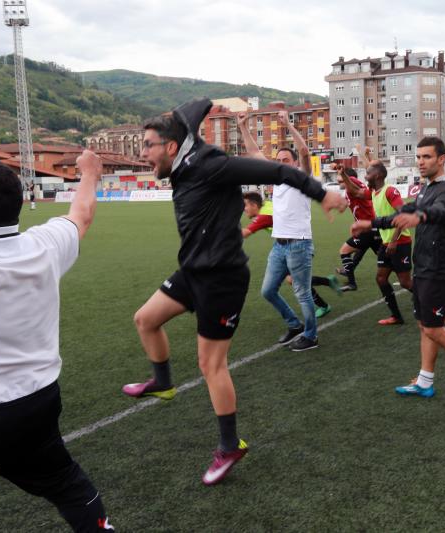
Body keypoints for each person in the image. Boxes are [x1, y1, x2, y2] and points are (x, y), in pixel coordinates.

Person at [121, 99, 345, 486]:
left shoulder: (213, 165)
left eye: (148, 146)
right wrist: (209, 104)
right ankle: (163, 382)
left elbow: (278, 169)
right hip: (193, 270)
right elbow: (189, 111)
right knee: (145, 319)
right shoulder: (181, 157)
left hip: (222, 278)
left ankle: (230, 445)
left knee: (211, 365)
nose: (143, 154)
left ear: (171, 147)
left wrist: (321, 192)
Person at [0, 155, 113, 531]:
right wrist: (90, 172)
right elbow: (83, 213)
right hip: (35, 405)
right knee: (69, 487)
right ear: (23, 204)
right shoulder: (44, 245)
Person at [352, 137, 445, 404]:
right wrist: (370, 223)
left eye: (426, 157)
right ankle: (425, 381)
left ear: (441, 159)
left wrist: (420, 216)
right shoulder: (424, 189)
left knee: (435, 329)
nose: (421, 162)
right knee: (424, 326)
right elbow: (403, 214)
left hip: (440, 269)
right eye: (418, 157)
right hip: (423, 266)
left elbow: (442, 210)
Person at [241, 190, 340, 318]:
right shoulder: (268, 206)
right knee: (293, 280)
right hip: (291, 243)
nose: (244, 209)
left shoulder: (264, 216)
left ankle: (323, 306)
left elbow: (245, 233)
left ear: (254, 205)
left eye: (245, 205)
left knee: (296, 283)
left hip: (295, 246)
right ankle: (327, 282)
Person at [346, 159, 413, 325]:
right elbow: (356, 192)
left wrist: (394, 241)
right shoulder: (373, 193)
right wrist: (342, 174)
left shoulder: (390, 191)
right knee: (381, 278)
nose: (365, 175)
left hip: (400, 242)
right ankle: (396, 316)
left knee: (405, 282)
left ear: (377, 175)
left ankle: (437, 301)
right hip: (386, 243)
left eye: (368, 173)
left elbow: (402, 215)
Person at [334, 146, 382, 292]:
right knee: (384, 257)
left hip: (367, 227)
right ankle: (408, 275)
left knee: (344, 251)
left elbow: (356, 186)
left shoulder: (352, 183)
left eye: (340, 178)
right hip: (371, 226)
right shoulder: (351, 189)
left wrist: (363, 155)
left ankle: (351, 282)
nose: (338, 180)